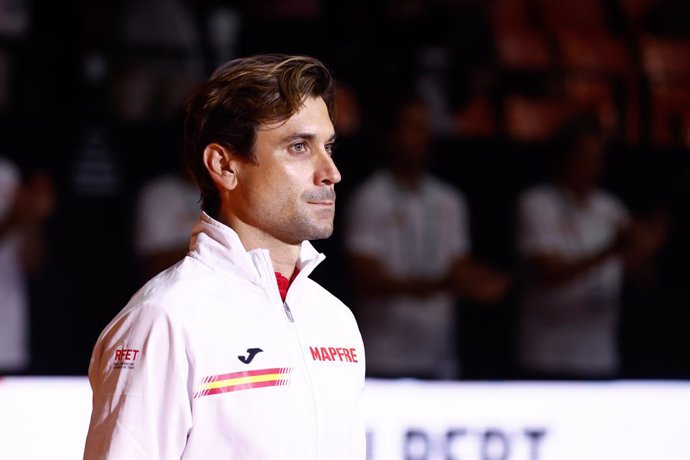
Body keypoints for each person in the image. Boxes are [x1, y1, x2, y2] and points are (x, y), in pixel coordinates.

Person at [83, 54, 366, 459]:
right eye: (299, 147)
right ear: (224, 165)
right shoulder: (165, 318)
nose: (331, 172)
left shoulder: (334, 319)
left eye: (329, 147)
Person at [344, 95, 510, 380]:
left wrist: (481, 281)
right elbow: (365, 277)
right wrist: (441, 283)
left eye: (425, 128)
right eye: (411, 127)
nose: (420, 137)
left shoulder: (448, 200)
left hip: (438, 356)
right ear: (391, 135)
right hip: (384, 357)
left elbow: (457, 266)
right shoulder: (370, 198)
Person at [514, 113, 662, 379]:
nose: (592, 165)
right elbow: (549, 272)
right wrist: (609, 250)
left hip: (599, 355)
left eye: (598, 157)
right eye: (585, 156)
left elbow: (642, 279)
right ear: (565, 157)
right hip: (548, 355)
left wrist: (646, 249)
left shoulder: (611, 209)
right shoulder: (537, 203)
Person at [0, 157, 54, 374]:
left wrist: (34, 215)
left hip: (8, 332)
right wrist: (17, 215)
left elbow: (32, 263)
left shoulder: (8, 173)